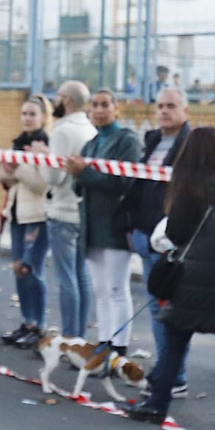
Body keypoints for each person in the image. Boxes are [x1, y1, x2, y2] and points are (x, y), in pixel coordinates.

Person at [128, 127, 215, 430]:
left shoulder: (192, 188)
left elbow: (176, 234)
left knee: (174, 340)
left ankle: (157, 404)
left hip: (197, 275)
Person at [123, 87, 192, 397]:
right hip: (144, 234)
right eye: (160, 106)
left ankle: (174, 374)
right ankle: (166, 369)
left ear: (185, 111)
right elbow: (140, 187)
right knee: (155, 307)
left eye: (171, 106)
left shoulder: (189, 145)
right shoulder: (152, 140)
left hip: (168, 239)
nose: (164, 111)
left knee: (169, 308)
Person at [71, 89, 143, 376]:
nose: (99, 110)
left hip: (115, 226)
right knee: (100, 290)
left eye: (105, 105)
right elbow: (80, 186)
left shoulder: (127, 140)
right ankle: (104, 343)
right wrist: (78, 174)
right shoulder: (91, 143)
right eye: (95, 105)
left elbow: (122, 183)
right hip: (91, 226)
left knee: (116, 288)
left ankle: (120, 349)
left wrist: (83, 173)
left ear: (117, 108)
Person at [41, 80, 98, 346]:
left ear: (66, 99)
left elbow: (53, 176)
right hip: (82, 211)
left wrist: (41, 157)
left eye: (57, 96)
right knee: (81, 275)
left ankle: (69, 336)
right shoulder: (90, 128)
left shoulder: (62, 132)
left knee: (67, 279)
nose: (53, 101)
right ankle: (80, 337)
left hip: (62, 210)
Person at [0, 96, 51, 348]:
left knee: (31, 269)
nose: (27, 118)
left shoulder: (46, 145)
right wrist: (9, 171)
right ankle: (26, 321)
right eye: (24, 113)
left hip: (37, 216)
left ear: (42, 117)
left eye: (32, 113)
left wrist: (17, 168)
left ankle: (38, 326)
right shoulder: (17, 143)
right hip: (17, 214)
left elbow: (43, 184)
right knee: (18, 269)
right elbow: (4, 178)